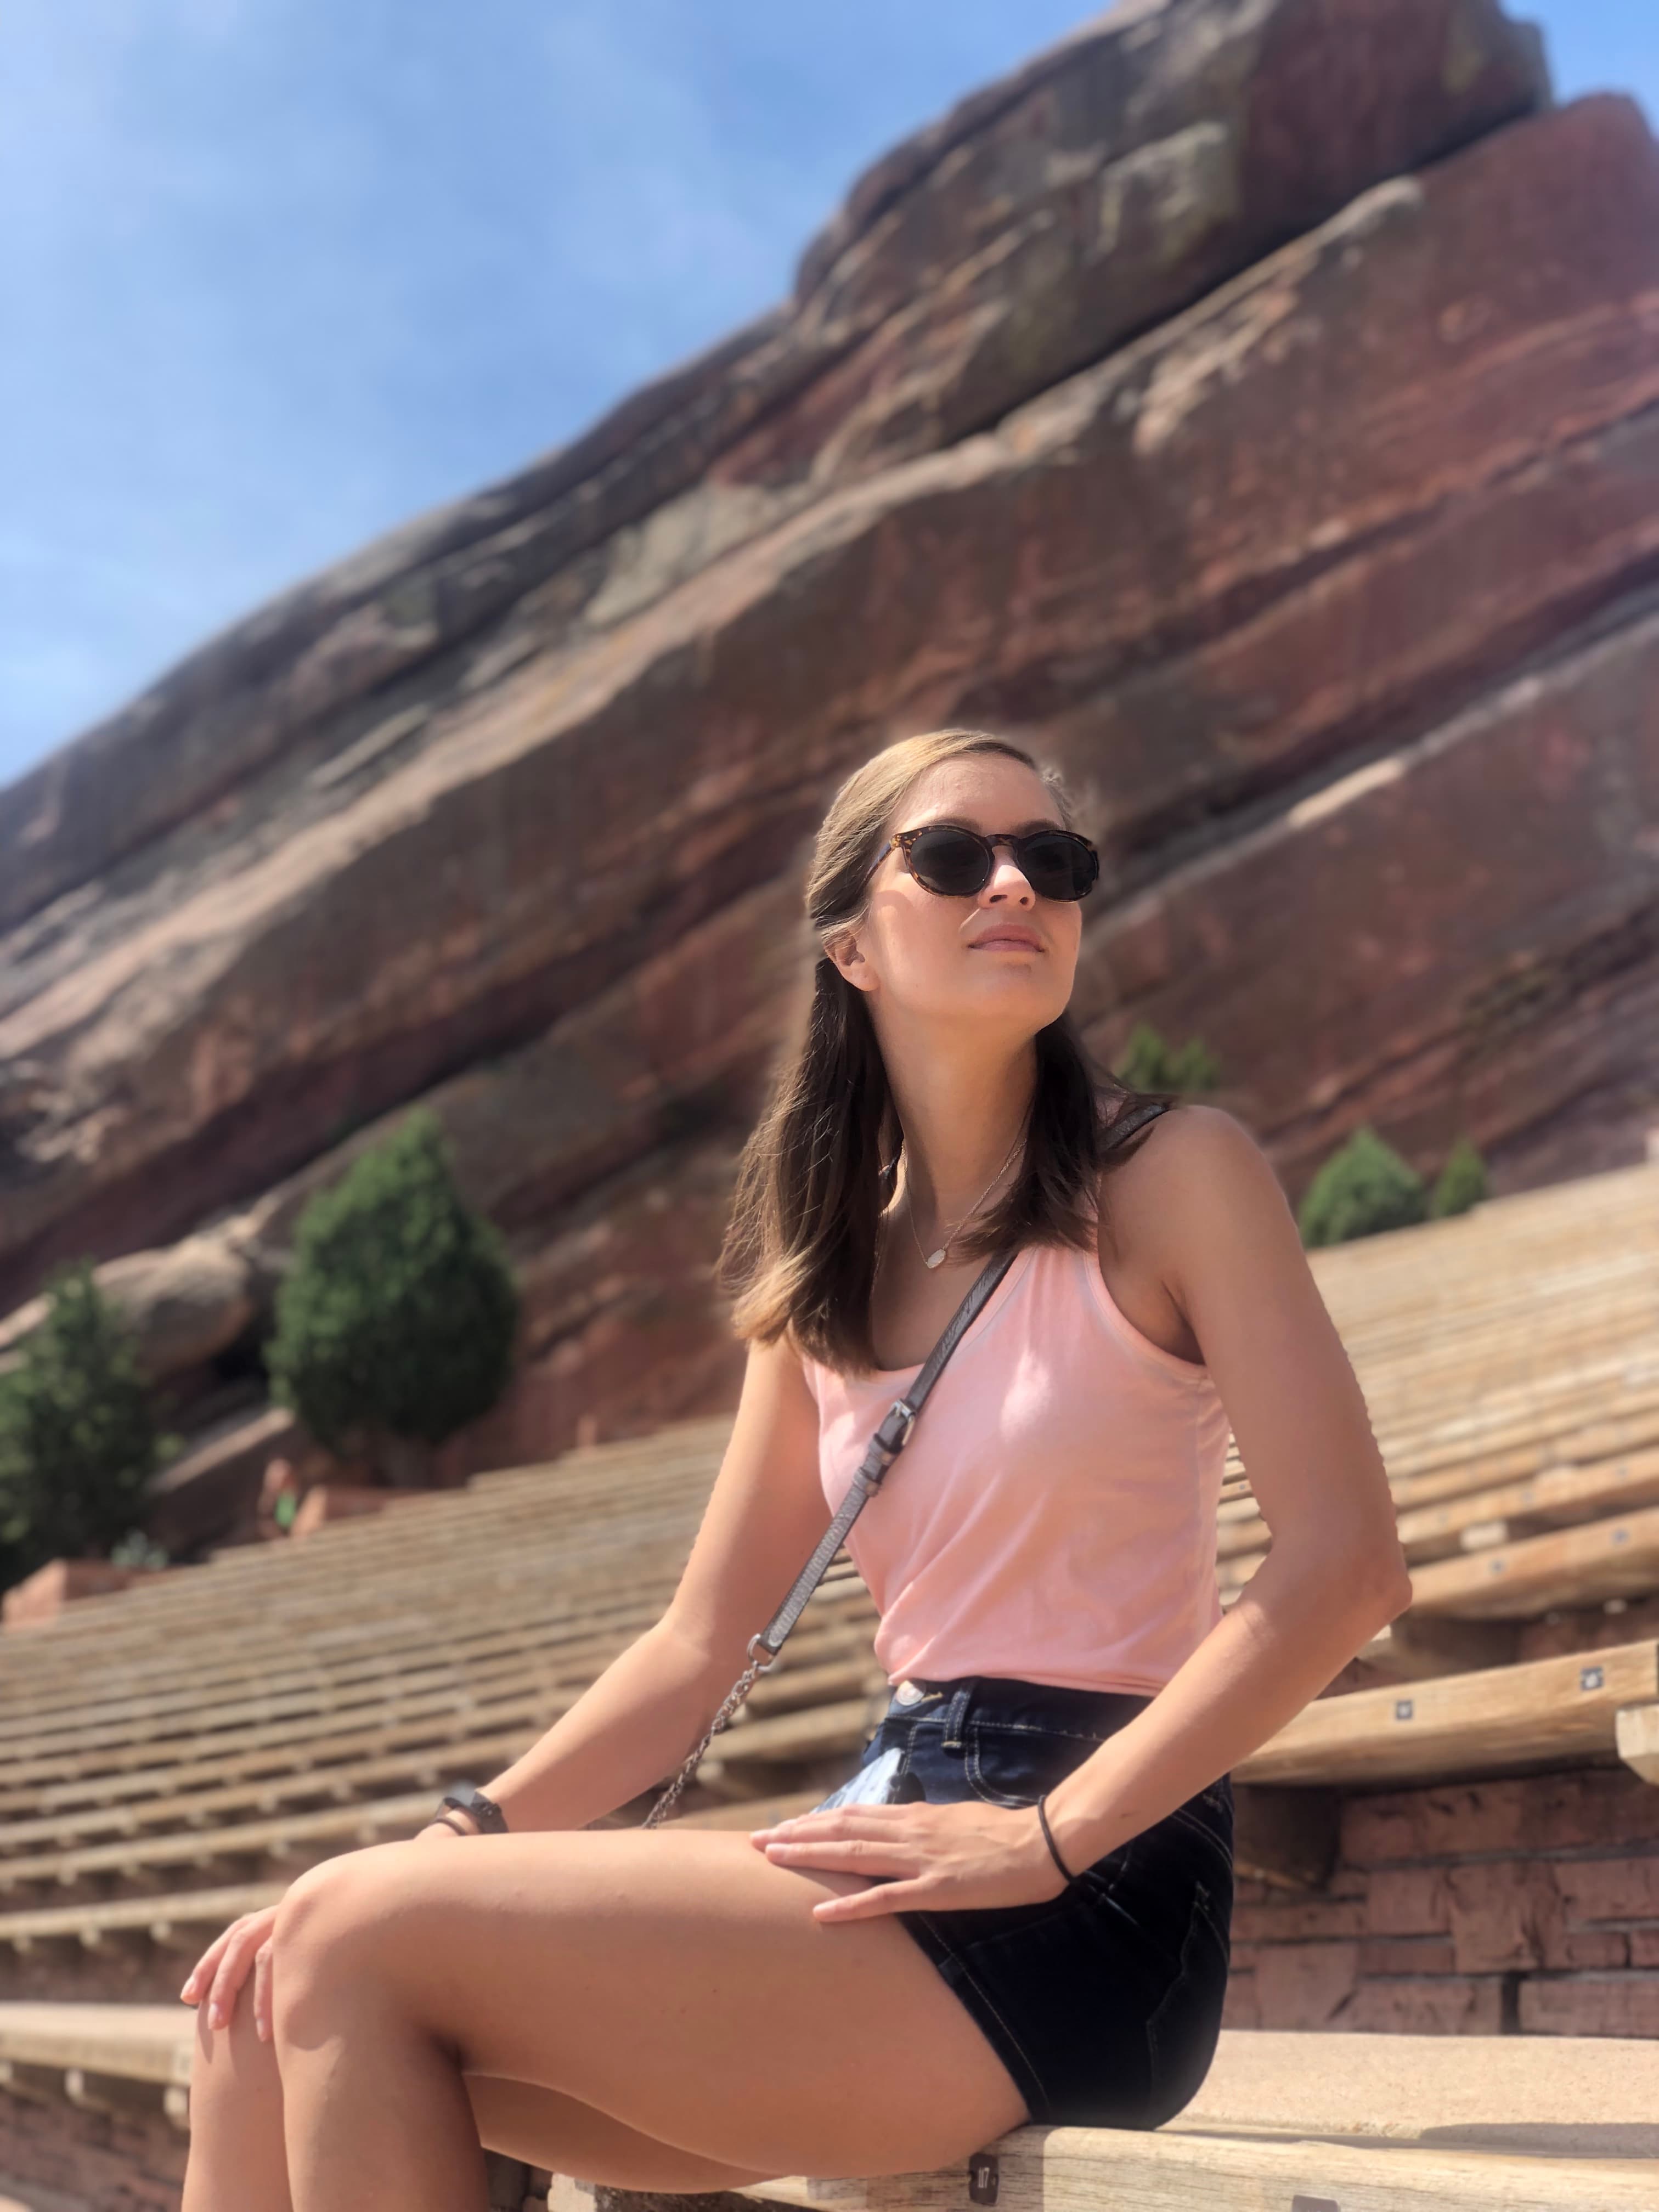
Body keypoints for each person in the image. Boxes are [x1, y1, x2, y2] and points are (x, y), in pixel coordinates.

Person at [177, 729, 1412, 2206]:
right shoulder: (824, 1271)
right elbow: (698, 1645)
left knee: (346, 1936)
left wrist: (1049, 1835)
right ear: (851, 948)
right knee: (259, 2003)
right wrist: (461, 1831)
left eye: (1053, 858)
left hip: (1095, 1877)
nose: (1015, 883)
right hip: (899, 1826)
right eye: (952, 856)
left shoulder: (1170, 1176)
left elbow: (1347, 1566)